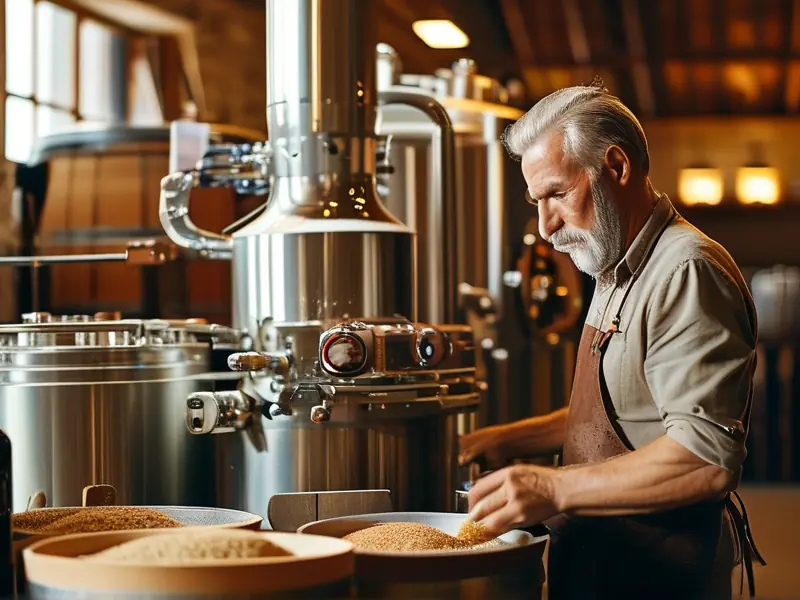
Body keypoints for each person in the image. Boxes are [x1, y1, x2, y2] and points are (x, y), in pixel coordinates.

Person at [459, 78, 764, 599]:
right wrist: (506, 440)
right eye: (536, 201)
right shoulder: (614, 266)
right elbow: (626, 411)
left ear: (617, 167)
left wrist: (549, 485)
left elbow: (704, 458)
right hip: (602, 559)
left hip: (657, 572)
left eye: (557, 194)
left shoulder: (684, 270)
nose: (545, 226)